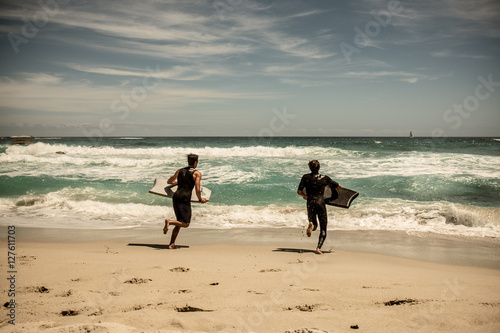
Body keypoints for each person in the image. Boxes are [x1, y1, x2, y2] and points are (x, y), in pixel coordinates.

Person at [163, 153, 207, 249]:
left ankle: (171, 244)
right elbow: (197, 189)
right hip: (185, 198)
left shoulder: (180, 171)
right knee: (186, 224)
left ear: (188, 162)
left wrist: (178, 182)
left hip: (176, 197)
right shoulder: (197, 173)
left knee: (179, 222)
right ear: (196, 162)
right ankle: (169, 222)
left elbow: (169, 181)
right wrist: (200, 199)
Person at [297, 160, 341, 254]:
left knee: (314, 223)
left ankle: (311, 225)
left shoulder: (305, 177)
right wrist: (335, 187)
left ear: (310, 168)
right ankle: (318, 248)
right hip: (320, 203)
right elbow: (339, 186)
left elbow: (299, 191)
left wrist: (305, 196)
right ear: (319, 168)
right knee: (323, 228)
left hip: (310, 202)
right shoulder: (325, 178)